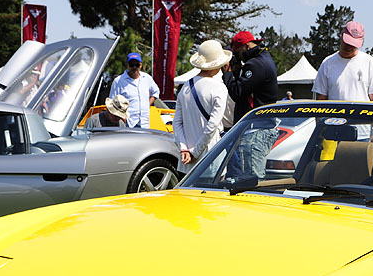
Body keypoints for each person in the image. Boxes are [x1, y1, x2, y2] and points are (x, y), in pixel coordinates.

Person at [173, 40, 230, 173]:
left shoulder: (186, 86)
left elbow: (176, 123)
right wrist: (195, 152)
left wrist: (184, 148)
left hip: (186, 161)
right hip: (211, 157)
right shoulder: (219, 88)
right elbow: (212, 125)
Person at [313, 21, 373, 104]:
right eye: (347, 42)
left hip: (361, 116)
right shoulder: (327, 63)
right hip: (334, 116)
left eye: (353, 44)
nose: (349, 47)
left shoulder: (369, 62)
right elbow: (321, 99)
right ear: (341, 36)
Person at [223, 31, 278, 123]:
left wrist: (227, 73)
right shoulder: (263, 57)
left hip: (257, 125)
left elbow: (237, 93)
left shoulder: (255, 64)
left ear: (246, 46)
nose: (238, 58)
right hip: (264, 120)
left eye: (237, 53)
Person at [109, 52, 160, 129]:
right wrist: (121, 117)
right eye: (131, 65)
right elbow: (112, 102)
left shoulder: (146, 78)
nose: (134, 67)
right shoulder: (118, 81)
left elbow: (156, 92)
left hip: (145, 123)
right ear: (127, 65)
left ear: (141, 65)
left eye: (137, 65)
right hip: (128, 123)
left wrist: (147, 104)